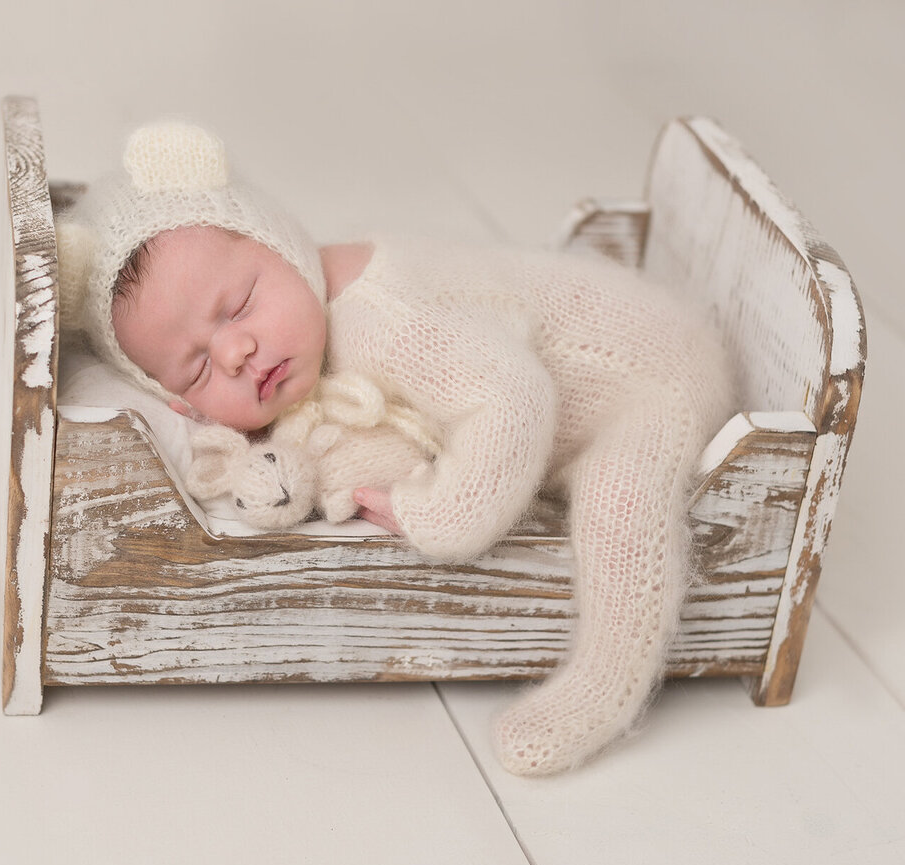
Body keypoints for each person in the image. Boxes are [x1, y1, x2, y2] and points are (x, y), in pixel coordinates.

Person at [58, 121, 734, 776]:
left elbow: (515, 397)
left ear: (284, 245)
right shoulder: (305, 323)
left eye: (238, 306)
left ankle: (604, 686)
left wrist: (442, 512)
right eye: (197, 369)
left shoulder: (382, 317)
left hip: (652, 372)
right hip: (566, 411)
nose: (235, 352)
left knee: (620, 506)